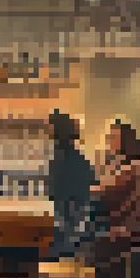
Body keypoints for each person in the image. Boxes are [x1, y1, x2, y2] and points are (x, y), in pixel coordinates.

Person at [92, 121, 140, 278]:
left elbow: (106, 193)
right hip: (132, 230)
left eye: (112, 137)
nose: (108, 141)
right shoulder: (133, 166)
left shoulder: (131, 167)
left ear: (124, 141)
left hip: (128, 232)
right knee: (96, 252)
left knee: (93, 255)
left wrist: (88, 189)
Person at [46, 110, 97, 258]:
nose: (48, 132)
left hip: (66, 226)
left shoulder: (61, 158)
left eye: (51, 128)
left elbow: (57, 195)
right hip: (76, 223)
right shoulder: (78, 157)